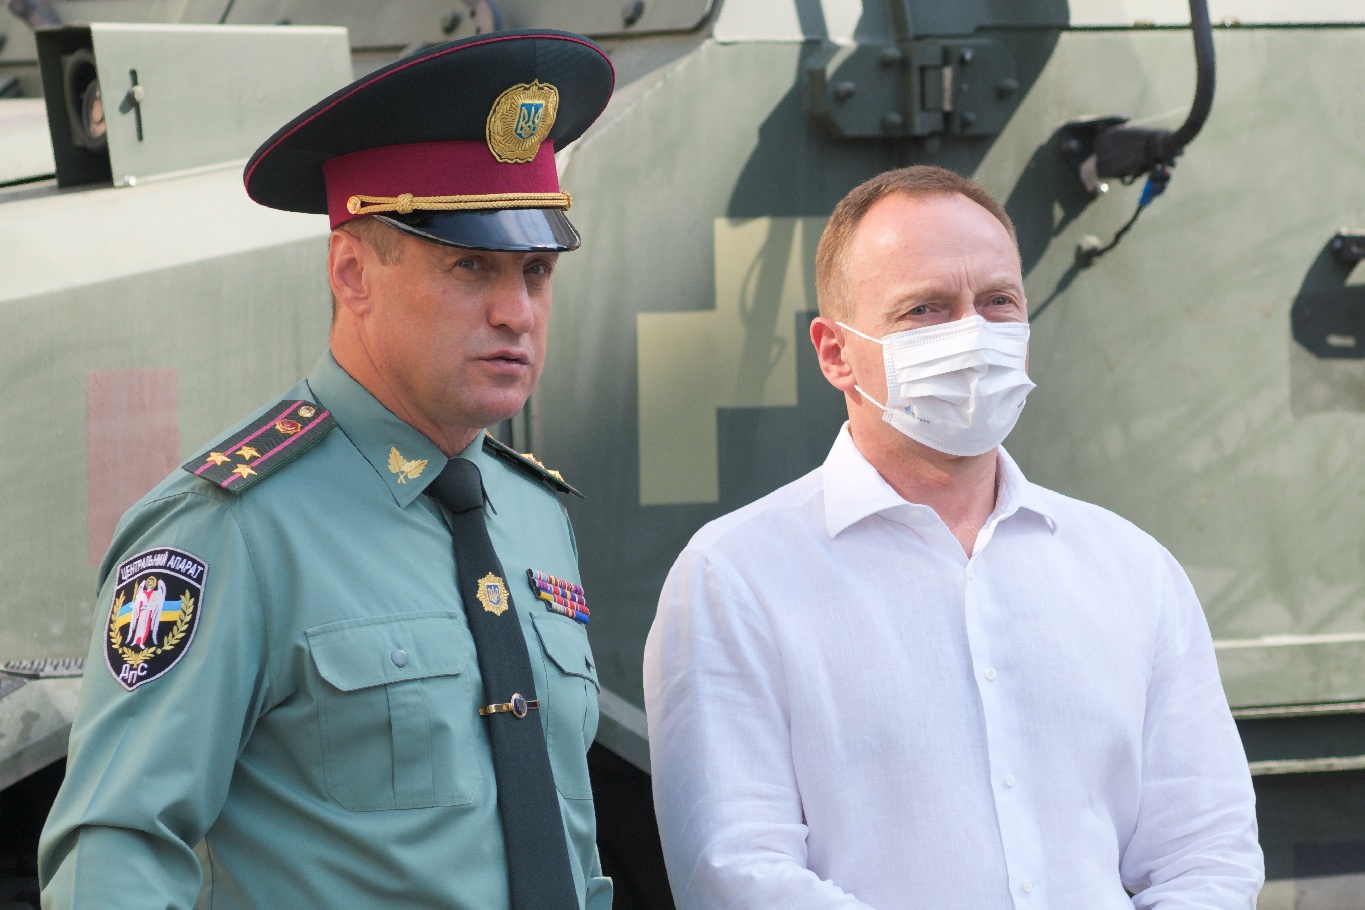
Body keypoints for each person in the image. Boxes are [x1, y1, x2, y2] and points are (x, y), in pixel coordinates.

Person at [40, 30, 615, 910]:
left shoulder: (532, 514)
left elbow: (570, 848)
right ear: (351, 274)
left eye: (536, 271)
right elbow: (116, 852)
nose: (516, 312)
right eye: (470, 266)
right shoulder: (230, 528)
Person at [643, 165, 1263, 909]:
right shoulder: (736, 579)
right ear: (836, 352)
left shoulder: (1132, 571)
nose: (973, 334)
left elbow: (1207, 855)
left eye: (998, 301)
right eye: (925, 309)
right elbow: (735, 873)